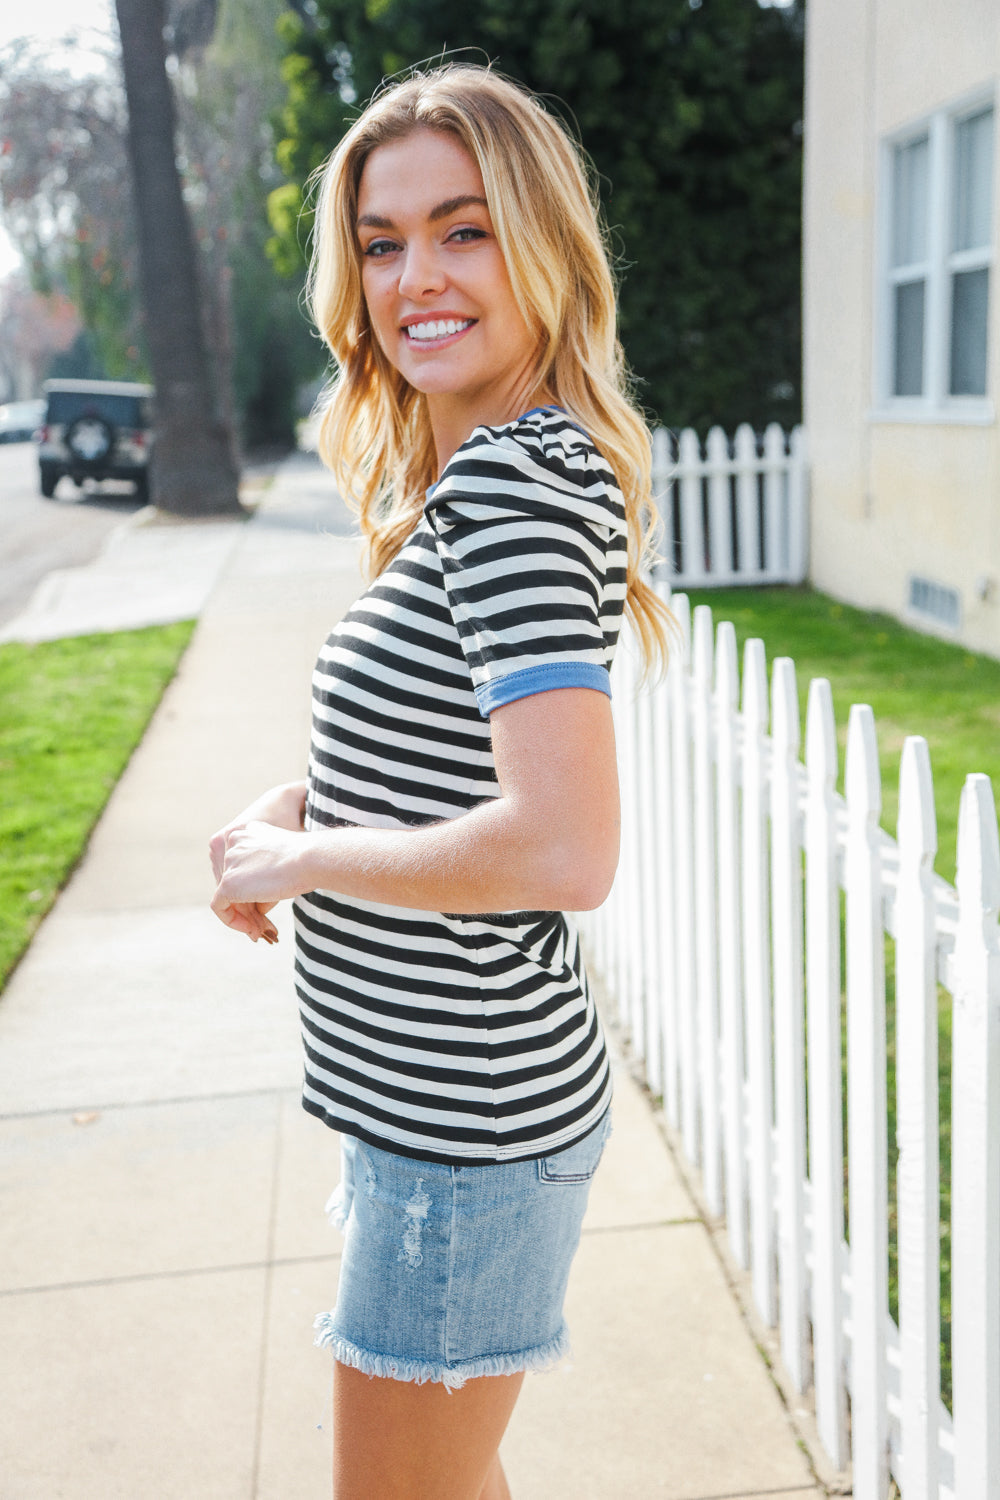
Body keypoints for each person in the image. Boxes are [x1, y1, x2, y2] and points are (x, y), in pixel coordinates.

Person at [209, 62, 672, 1500]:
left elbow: (562, 848)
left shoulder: (511, 490)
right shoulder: (481, 474)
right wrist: (303, 809)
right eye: (381, 241)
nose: (416, 277)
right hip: (430, 1118)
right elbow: (443, 756)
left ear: (542, 242)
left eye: (463, 230)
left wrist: (308, 863)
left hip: (464, 1140)